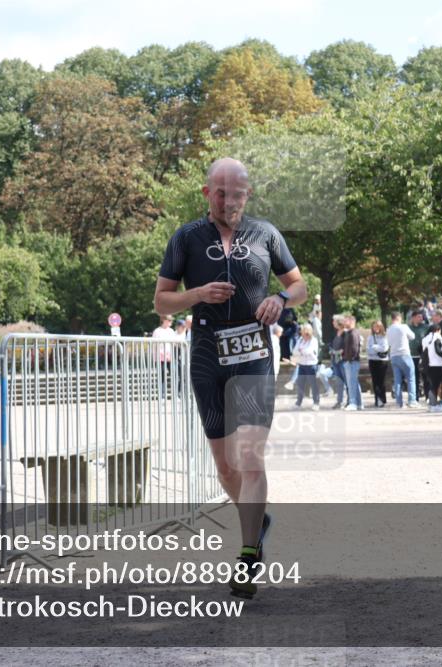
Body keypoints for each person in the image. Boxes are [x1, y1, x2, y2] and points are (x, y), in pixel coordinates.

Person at [153, 156, 305, 600]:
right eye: (220, 193)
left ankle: (247, 553)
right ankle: (257, 521)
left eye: (236, 193)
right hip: (206, 356)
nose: (229, 201)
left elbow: (298, 285)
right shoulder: (186, 238)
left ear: (247, 193)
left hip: (254, 355)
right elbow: (162, 302)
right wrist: (197, 295)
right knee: (225, 465)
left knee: (250, 456)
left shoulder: (266, 234)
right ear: (206, 194)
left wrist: (281, 299)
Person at [387, 312, 418, 409]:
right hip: (404, 354)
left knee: (397, 380)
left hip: (394, 355)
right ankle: (412, 401)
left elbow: (388, 342)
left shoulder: (388, 329)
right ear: (399, 318)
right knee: (411, 378)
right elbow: (413, 336)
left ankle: (399, 402)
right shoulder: (403, 327)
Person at [292, 324, 320, 411]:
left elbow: (310, 351)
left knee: (313, 385)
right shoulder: (300, 340)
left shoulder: (314, 340)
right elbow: (294, 351)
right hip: (302, 365)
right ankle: (298, 402)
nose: (305, 335)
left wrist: (301, 351)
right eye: (304, 332)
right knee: (300, 384)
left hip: (311, 365)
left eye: (307, 333)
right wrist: (301, 351)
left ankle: (316, 403)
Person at [422, 323, 442, 412]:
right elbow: (438, 350)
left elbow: (421, 350)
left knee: (432, 385)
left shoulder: (425, 339)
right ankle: (437, 404)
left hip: (429, 365)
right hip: (439, 364)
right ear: (438, 330)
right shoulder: (437, 337)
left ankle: (431, 404)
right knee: (440, 385)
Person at [152, 315, 177, 397]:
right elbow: (154, 345)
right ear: (164, 320)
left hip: (170, 357)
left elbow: (174, 343)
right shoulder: (157, 331)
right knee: (161, 375)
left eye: (171, 320)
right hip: (160, 357)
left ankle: (176, 394)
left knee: (174, 374)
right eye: (169, 320)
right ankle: (161, 394)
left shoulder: (171, 331)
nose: (171, 322)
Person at [407, 310, 429, 402]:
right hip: (412, 356)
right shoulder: (407, 328)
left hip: (424, 356)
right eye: (419, 317)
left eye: (422, 317)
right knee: (414, 377)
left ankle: (428, 396)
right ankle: (415, 396)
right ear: (413, 317)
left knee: (426, 376)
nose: (421, 318)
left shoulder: (426, 327)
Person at [367, 320, 389, 408]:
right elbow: (368, 350)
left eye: (377, 326)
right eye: (374, 326)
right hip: (372, 360)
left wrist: (374, 347)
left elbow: (384, 348)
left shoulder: (384, 337)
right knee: (375, 381)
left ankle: (382, 399)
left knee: (381, 381)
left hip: (382, 361)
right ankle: (377, 399)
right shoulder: (370, 337)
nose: (376, 328)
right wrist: (376, 349)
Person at [329, 314, 347, 409]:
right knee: (339, 382)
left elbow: (346, 346)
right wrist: (331, 350)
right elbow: (332, 344)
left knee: (347, 381)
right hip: (335, 360)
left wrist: (340, 351)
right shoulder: (335, 332)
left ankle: (350, 401)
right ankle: (340, 401)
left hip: (343, 360)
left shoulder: (345, 332)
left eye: (334, 321)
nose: (332, 323)